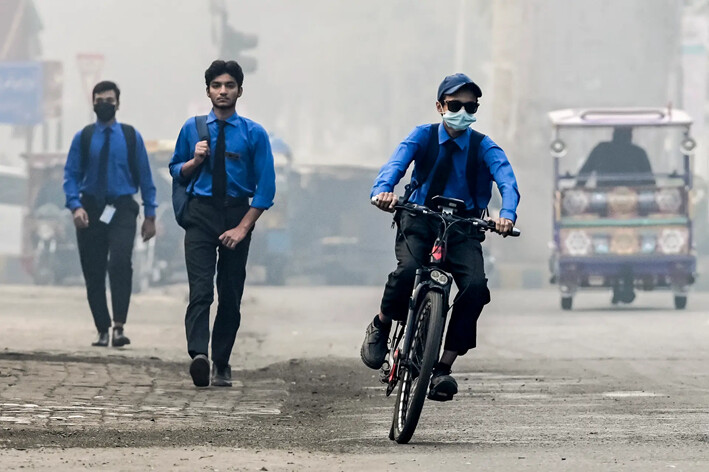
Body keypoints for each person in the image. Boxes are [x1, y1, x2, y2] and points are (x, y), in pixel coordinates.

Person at [361, 73, 520, 402]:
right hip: (420, 219)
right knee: (406, 272)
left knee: (475, 289)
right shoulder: (422, 136)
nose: (463, 111)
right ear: (439, 106)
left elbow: (506, 178)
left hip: (463, 228)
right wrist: (383, 191)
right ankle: (381, 324)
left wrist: (506, 214)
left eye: (471, 105)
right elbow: (395, 164)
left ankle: (443, 368)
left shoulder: (483, 146)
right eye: (455, 104)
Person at [169, 60, 276, 388]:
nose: (223, 91)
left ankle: (223, 362)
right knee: (200, 290)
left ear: (239, 91)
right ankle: (199, 356)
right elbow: (175, 170)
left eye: (229, 86)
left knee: (230, 294)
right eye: (216, 86)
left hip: (236, 215)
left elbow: (267, 188)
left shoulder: (254, 133)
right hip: (200, 215)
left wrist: (243, 228)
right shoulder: (192, 128)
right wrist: (195, 160)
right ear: (208, 91)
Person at [63, 80, 157, 347]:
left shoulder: (130, 137)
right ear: (93, 103)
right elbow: (70, 175)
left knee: (119, 262)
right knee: (93, 271)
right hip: (90, 209)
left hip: (122, 208)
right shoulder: (84, 137)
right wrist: (75, 206)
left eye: (109, 100)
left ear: (118, 103)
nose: (105, 105)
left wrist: (150, 215)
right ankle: (102, 328)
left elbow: (145, 177)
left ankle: (119, 326)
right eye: (99, 100)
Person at [577, 127, 654, 187]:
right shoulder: (639, 152)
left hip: (634, 201)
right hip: (602, 201)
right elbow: (583, 176)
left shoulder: (600, 149)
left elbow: (650, 183)